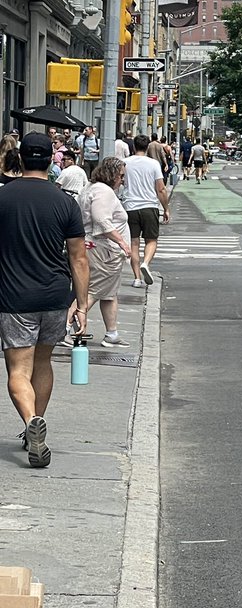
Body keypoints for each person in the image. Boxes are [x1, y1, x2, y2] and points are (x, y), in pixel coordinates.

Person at [0, 132, 89, 467]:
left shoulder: (4, 197)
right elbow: (79, 258)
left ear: (20, 158)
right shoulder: (65, 201)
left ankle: (29, 421)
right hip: (54, 295)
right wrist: (81, 305)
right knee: (43, 363)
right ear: (51, 159)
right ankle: (35, 424)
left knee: (18, 369)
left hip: (14, 296)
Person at [77, 157, 132, 348]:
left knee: (108, 293)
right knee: (93, 291)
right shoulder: (104, 191)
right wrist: (123, 242)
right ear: (113, 174)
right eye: (121, 176)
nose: (123, 180)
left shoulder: (91, 188)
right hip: (104, 249)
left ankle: (112, 332)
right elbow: (102, 220)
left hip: (97, 246)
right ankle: (66, 327)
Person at [122, 134, 171, 287]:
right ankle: (146, 263)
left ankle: (137, 278)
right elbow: (161, 189)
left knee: (133, 243)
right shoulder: (153, 164)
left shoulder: (125, 163)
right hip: (149, 206)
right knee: (151, 240)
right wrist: (166, 208)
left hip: (130, 206)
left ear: (134, 147)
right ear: (148, 146)